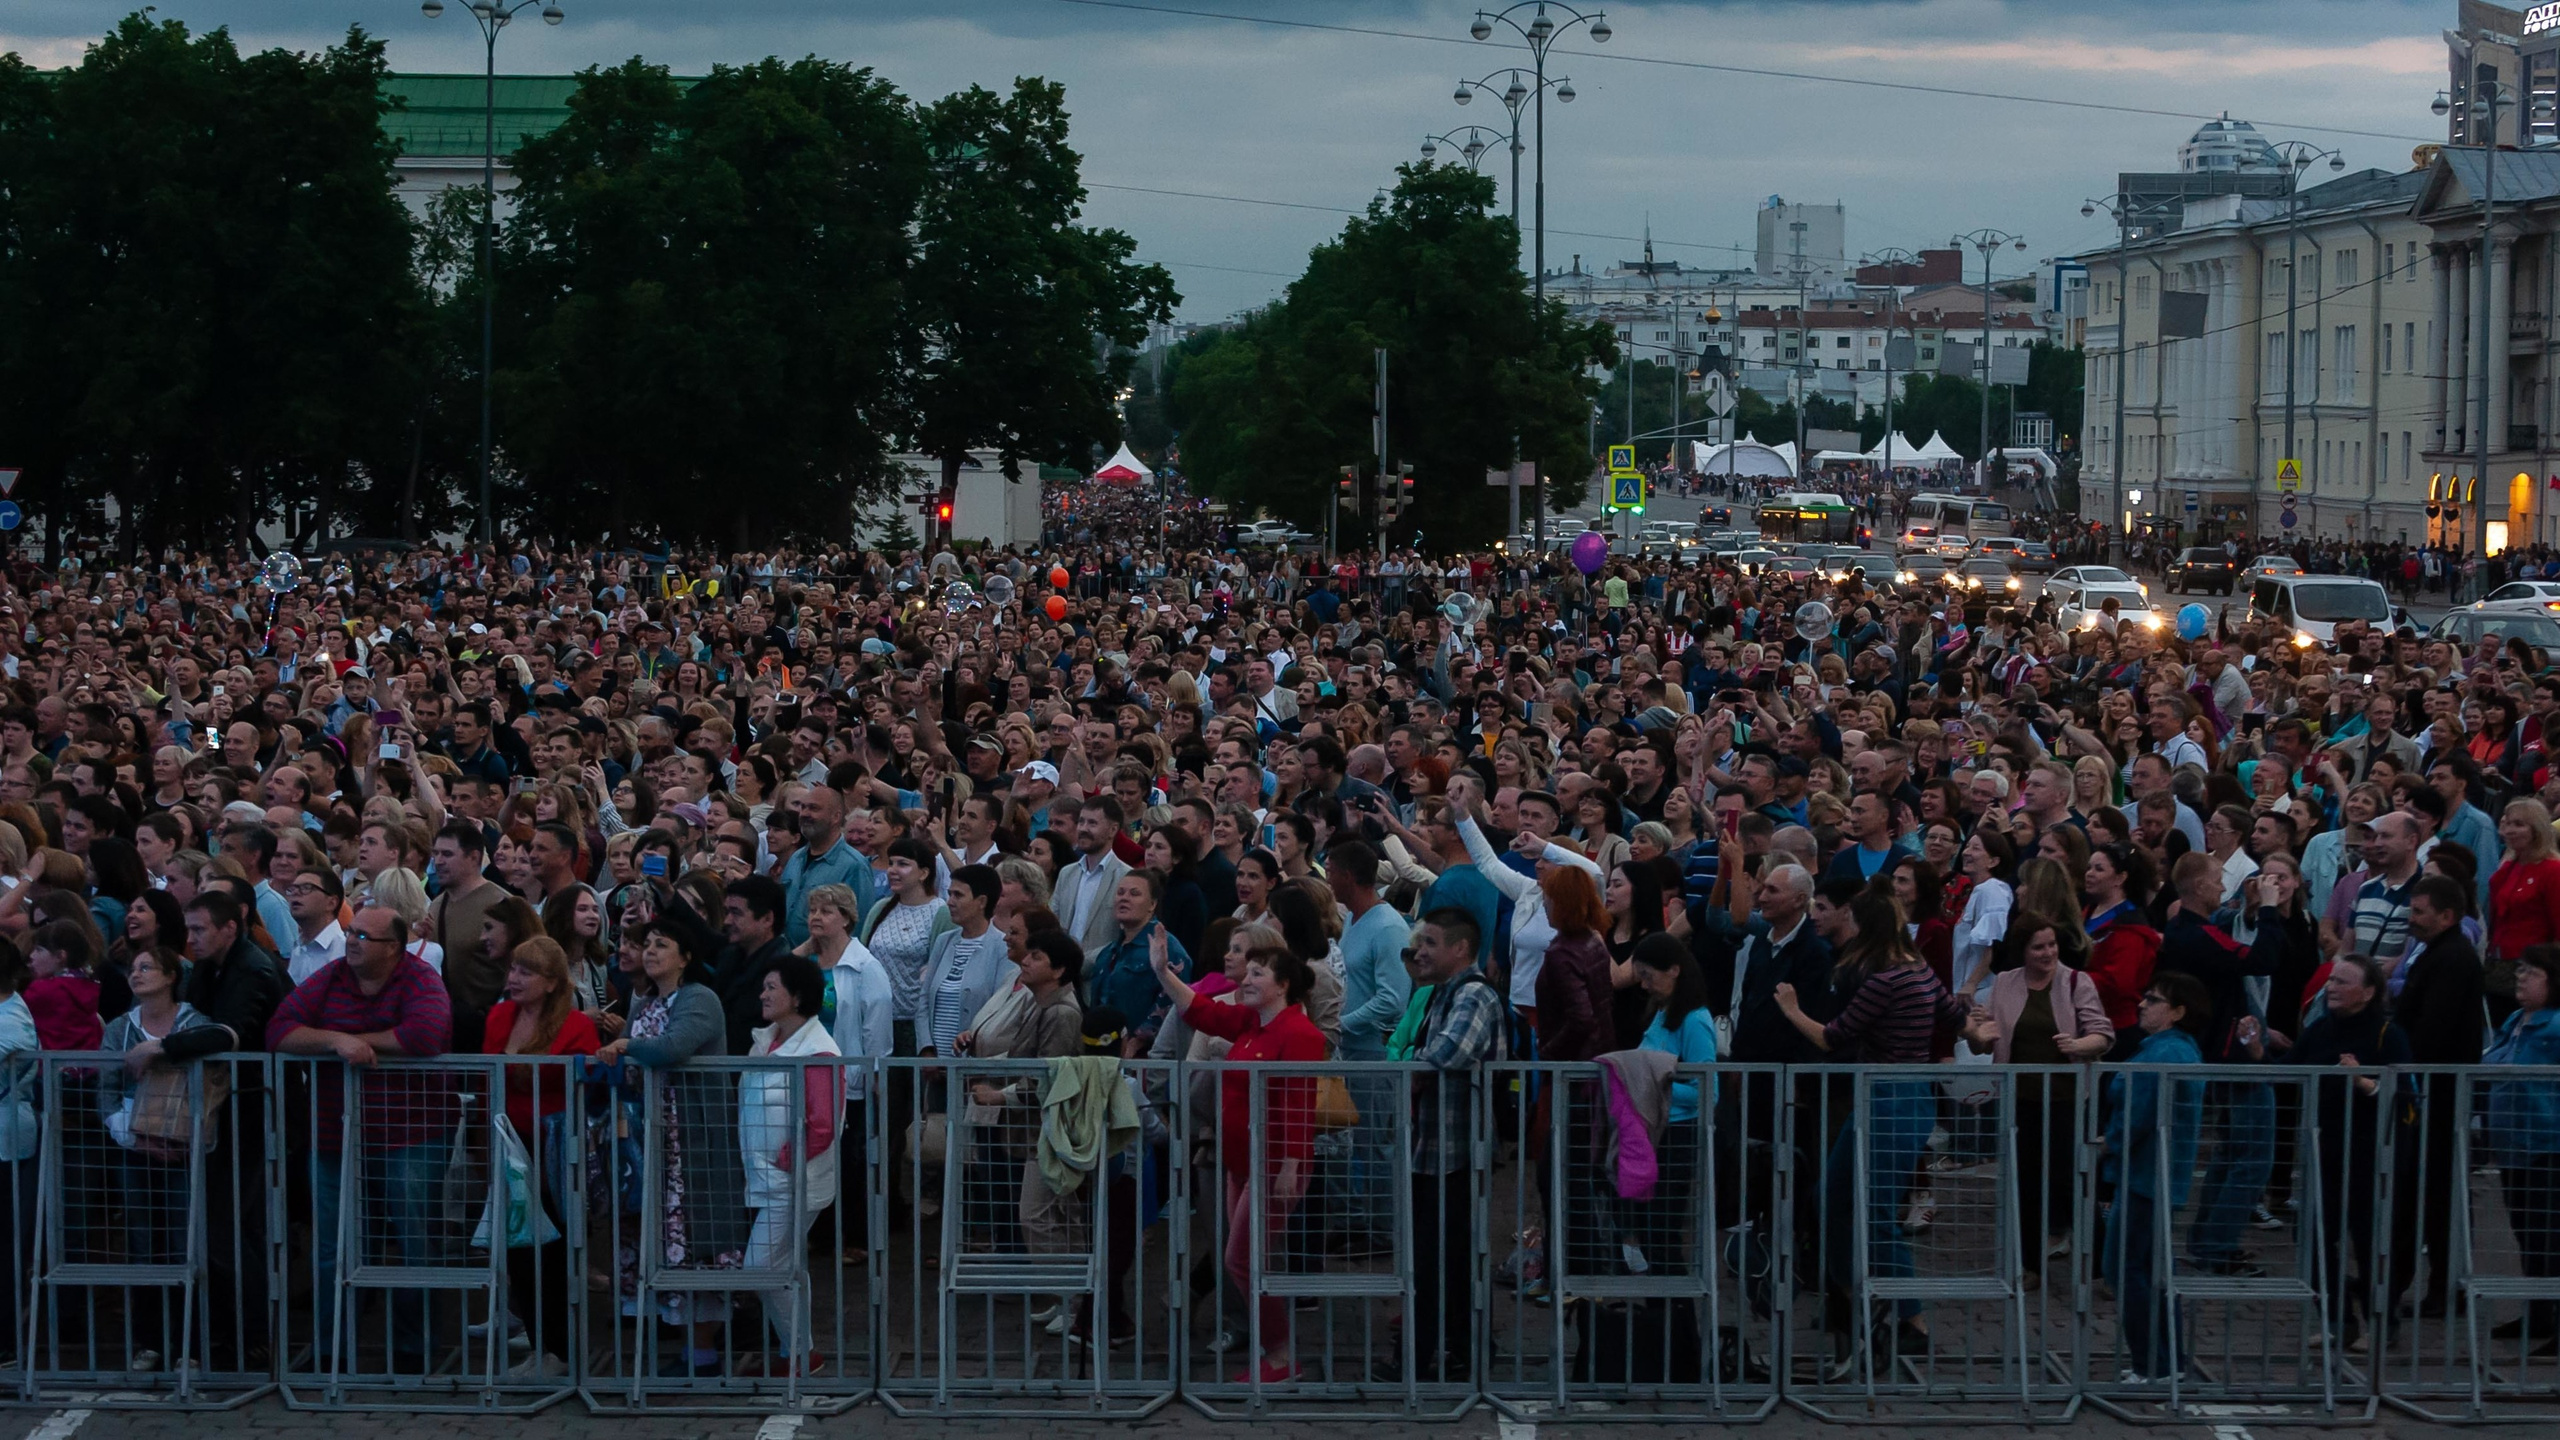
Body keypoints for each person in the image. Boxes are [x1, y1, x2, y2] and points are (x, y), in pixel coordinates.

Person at [1774, 890, 1980, 1375]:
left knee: (1878, 1215)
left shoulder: (1886, 979)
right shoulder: (1919, 969)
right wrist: (1980, 1034)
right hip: (1884, 1100)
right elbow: (1955, 1018)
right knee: (1831, 1199)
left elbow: (1830, 1037)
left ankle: (1913, 1321)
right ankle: (1854, 1297)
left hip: (1893, 1100)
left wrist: (1790, 1008)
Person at [266, 903, 455, 1370]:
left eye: (365, 937)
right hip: (334, 1130)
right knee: (332, 1244)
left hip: (412, 1132)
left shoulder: (419, 978)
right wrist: (335, 1041)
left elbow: (426, 1034)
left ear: (395, 947)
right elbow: (279, 1029)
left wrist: (359, 1039)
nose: (352, 941)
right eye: (352, 933)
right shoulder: (331, 977)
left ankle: (416, 1348)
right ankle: (333, 1348)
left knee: (415, 1241)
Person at [1151, 939, 1326, 1386]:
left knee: (1242, 1259)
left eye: (1257, 975)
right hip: (1241, 1160)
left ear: (1283, 985)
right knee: (1245, 1260)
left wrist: (1291, 1164)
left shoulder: (1300, 1033)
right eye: (1247, 973)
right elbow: (1203, 1012)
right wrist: (1163, 972)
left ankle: (1282, 1353)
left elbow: (1299, 1106)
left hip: (1272, 1163)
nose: (1245, 981)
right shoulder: (1251, 1023)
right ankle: (1276, 1351)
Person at [595, 918, 742, 1376]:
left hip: (692, 1140)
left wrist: (626, 1043)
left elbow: (673, 1047)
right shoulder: (645, 1003)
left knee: (695, 1240)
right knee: (654, 1236)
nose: (652, 951)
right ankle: (671, 1335)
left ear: (687, 956)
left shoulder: (699, 998)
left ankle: (703, 1349)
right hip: (655, 1139)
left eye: (663, 943)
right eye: (648, 944)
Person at [1387, 908, 1506, 1384]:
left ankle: (1460, 1353)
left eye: (1431, 943)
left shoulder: (1473, 994)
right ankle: (1444, 1351)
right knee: (1435, 1258)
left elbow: (1450, 1052)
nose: (1420, 951)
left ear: (1460, 949)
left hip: (1456, 1151)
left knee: (1452, 1259)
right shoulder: (1439, 993)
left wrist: (1412, 1063)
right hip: (1431, 1147)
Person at [94, 946, 224, 1373]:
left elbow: (210, 1085)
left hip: (185, 1146)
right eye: (133, 968)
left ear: (171, 975)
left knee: (185, 1242)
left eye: (146, 967)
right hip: (134, 1149)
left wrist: (190, 1138)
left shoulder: (194, 1024)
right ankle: (150, 1340)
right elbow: (107, 1091)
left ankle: (191, 1341)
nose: (136, 974)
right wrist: (132, 1138)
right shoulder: (119, 1029)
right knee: (142, 1242)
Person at [1972, 914, 2112, 1289]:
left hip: (2066, 1099)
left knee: (2073, 1183)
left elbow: (2102, 1033)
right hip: (2019, 1099)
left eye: (2052, 944)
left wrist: (2078, 1045)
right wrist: (1977, 1031)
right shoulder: (2004, 983)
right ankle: (2029, 1266)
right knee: (2025, 1184)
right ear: (2023, 951)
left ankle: (2101, 1267)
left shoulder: (2076, 981)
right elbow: (1984, 1041)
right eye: (2039, 946)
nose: (2048, 952)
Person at [482, 935, 600, 1379]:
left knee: (551, 1253)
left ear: (552, 983)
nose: (514, 978)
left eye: (526, 972)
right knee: (517, 1250)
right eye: (513, 969)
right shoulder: (498, 1016)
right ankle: (536, 1346)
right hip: (508, 1144)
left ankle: (560, 1350)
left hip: (552, 1150)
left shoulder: (576, 1027)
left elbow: (578, 1081)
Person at [2291, 954, 2414, 1351]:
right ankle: (2338, 1319)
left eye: (2343, 982)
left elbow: (2409, 1101)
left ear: (2368, 992)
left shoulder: (2387, 1035)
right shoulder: (2321, 1029)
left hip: (2370, 1156)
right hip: (2324, 1150)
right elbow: (2288, 1070)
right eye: (2331, 981)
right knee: (2313, 1236)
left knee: (2371, 1240)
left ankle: (2382, 1322)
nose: (2332, 988)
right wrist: (2256, 1049)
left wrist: (2366, 1084)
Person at [2100, 970, 2210, 1385]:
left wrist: (2109, 1141)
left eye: (2153, 999)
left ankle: (2154, 1364)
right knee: (2146, 1271)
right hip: (2157, 1175)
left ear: (2177, 1012)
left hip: (2146, 1176)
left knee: (2129, 1269)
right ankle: (2165, 1361)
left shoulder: (2160, 1055)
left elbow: (2136, 1118)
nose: (2143, 1003)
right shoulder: (2179, 1050)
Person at [736, 954, 843, 1378]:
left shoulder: (819, 1049)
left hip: (794, 1181)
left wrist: (787, 1159)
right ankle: (800, 1354)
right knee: (785, 1265)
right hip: (768, 1177)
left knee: (760, 1265)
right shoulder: (766, 1040)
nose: (763, 994)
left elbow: (824, 1122)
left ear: (797, 997)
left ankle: (801, 1351)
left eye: (772, 987)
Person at [2392, 874, 2486, 1317]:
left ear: (2446, 916)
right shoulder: (2438, 953)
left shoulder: (2452, 958)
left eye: (2419, 911)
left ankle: (2445, 1289)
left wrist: (2404, 1065)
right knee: (2424, 1193)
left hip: (2438, 1094)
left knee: (2438, 1194)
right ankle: (2427, 1286)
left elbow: (2433, 1028)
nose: (2412, 919)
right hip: (2428, 1091)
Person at [2481, 946, 2560, 1356]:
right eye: (2521, 971)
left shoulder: (2556, 1026)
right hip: (2511, 1144)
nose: (2521, 978)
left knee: (2550, 1234)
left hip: (2546, 1142)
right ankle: (2539, 1311)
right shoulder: (2514, 1020)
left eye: (2532, 973)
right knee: (2527, 1233)